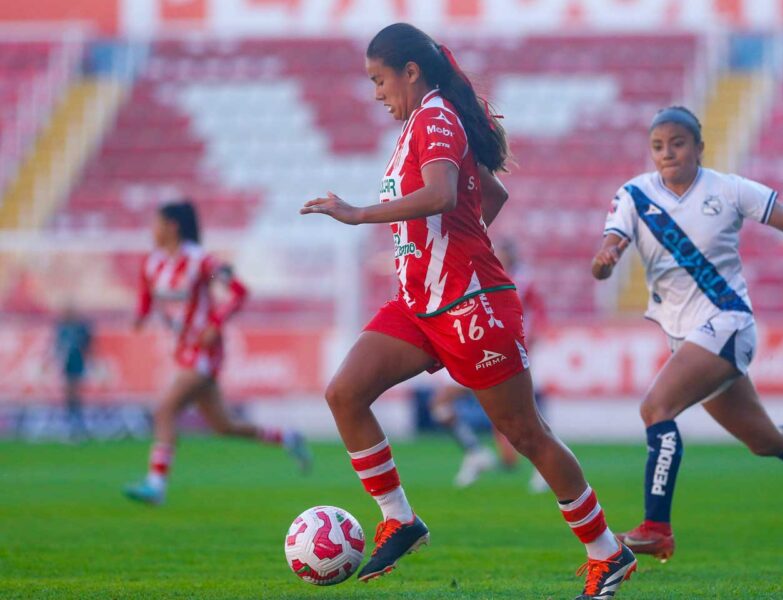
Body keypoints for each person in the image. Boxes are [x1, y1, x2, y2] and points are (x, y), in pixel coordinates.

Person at [299, 23, 635, 599]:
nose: (376, 92)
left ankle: (608, 552)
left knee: (525, 434)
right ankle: (399, 518)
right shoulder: (420, 124)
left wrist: (358, 216)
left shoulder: (433, 118)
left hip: (470, 305)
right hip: (421, 304)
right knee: (345, 393)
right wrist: (449, 249)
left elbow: (443, 196)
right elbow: (490, 196)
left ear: (411, 71)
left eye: (380, 80)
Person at [592, 106, 783, 563]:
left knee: (656, 408)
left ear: (699, 146)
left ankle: (657, 526)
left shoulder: (729, 189)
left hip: (729, 323)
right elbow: (612, 241)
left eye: (677, 143)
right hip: (689, 337)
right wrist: (607, 256)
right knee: (765, 441)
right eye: (658, 146)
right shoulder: (635, 195)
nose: (667, 153)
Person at [124, 200, 311, 506]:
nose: (152, 230)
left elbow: (239, 291)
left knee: (165, 410)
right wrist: (139, 317)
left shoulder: (201, 261)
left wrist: (215, 323)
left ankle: (156, 484)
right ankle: (288, 437)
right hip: (182, 348)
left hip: (205, 349)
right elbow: (145, 299)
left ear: (172, 226)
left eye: (156, 223)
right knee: (224, 426)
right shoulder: (152, 263)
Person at [427, 239, 549, 491]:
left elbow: (539, 317)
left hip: (506, 353)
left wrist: (525, 344)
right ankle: (475, 453)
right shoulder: (482, 275)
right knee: (441, 402)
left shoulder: (523, 282)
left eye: (502, 254)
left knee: (519, 417)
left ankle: (545, 467)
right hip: (476, 349)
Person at [54, 303, 92, 441]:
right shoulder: (61, 328)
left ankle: (77, 424)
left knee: (75, 393)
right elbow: (58, 347)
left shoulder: (80, 328)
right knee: (69, 394)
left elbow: (87, 344)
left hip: (77, 364)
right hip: (67, 365)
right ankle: (71, 423)